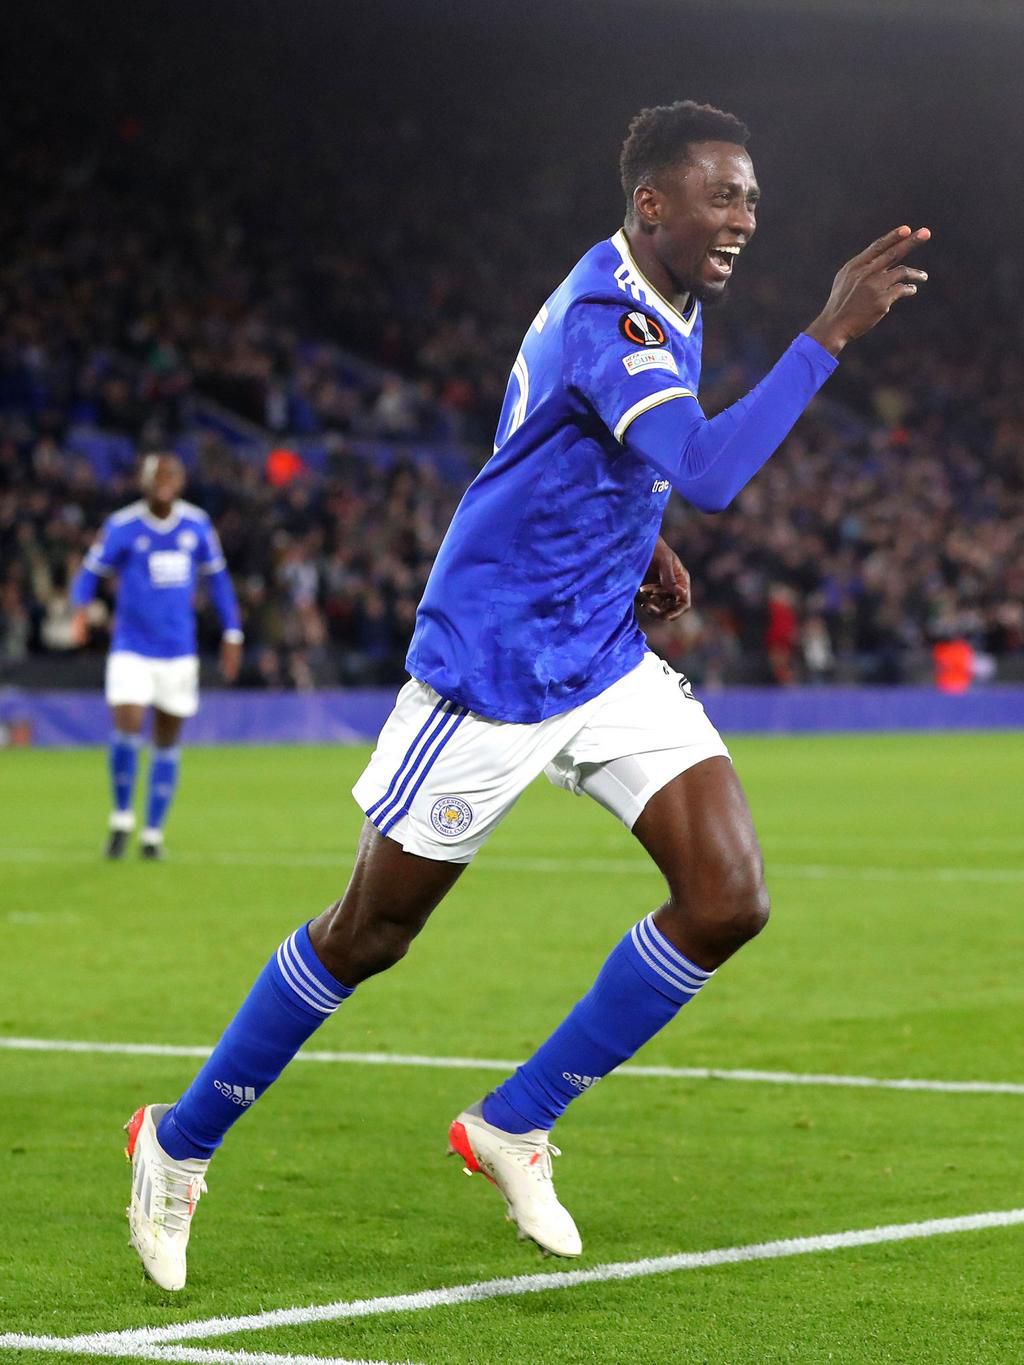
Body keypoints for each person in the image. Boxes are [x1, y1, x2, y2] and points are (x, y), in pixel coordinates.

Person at [122, 100, 929, 1290]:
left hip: (600, 653)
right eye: (720, 194)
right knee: (370, 934)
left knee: (726, 897)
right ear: (650, 201)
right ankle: (177, 1146)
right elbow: (704, 467)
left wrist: (632, 537)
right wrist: (829, 333)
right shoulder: (611, 313)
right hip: (492, 666)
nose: (743, 217)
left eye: (752, 195)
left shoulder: (666, 297)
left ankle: (512, 1122)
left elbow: (567, 443)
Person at [71, 453, 243, 859]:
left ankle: (151, 833)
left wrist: (232, 631)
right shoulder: (123, 526)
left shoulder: (197, 524)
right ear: (143, 482)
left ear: (180, 482)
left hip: (179, 651)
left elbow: (218, 581)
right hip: (131, 647)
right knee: (128, 725)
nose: (163, 482)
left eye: (170, 475)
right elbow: (90, 572)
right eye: (155, 475)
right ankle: (121, 819)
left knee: (167, 739)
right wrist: (80, 610)